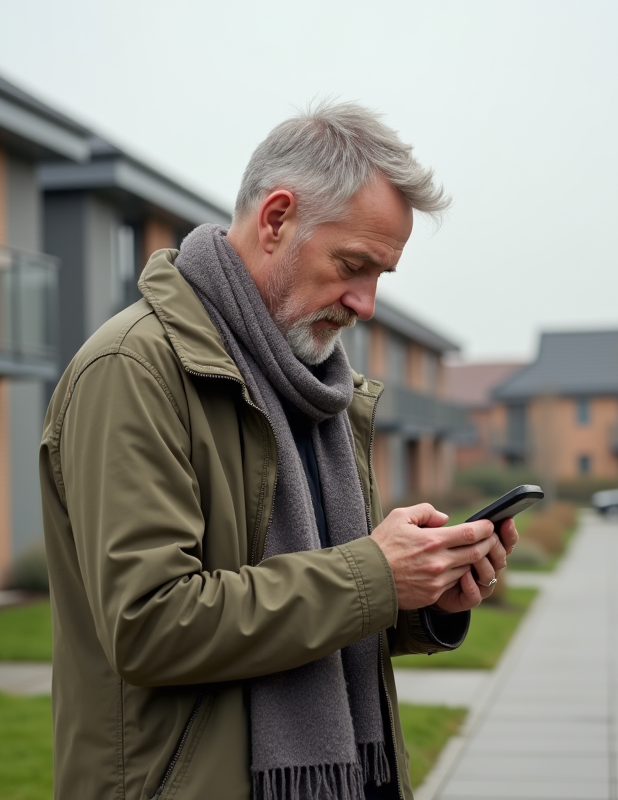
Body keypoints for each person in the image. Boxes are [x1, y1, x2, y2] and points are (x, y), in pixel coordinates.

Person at [39, 101, 517, 800]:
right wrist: (373, 576)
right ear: (276, 219)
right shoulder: (132, 370)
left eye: (380, 276)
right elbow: (150, 625)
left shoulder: (319, 386)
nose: (366, 304)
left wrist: (425, 597)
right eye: (354, 265)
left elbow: (327, 606)